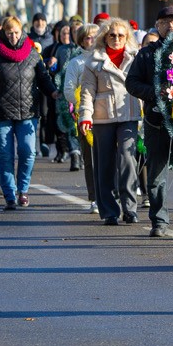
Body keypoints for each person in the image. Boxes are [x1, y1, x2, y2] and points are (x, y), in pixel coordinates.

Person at [127, 5, 173, 239]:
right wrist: (155, 92)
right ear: (157, 25)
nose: (171, 26)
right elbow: (132, 83)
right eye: (166, 21)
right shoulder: (147, 54)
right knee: (157, 174)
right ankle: (159, 221)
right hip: (155, 122)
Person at [0, 16, 58, 210]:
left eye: (16, 32)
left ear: (22, 32)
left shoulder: (31, 54)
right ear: (3, 34)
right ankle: (10, 194)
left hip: (28, 112)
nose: (13, 36)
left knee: (27, 152)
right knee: (5, 155)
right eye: (9, 33)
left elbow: (43, 78)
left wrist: (54, 92)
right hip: (1, 114)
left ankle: (23, 189)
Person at [80, 19, 142, 225]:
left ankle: (130, 208)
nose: (116, 39)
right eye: (112, 35)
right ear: (105, 37)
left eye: (121, 35)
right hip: (102, 117)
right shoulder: (94, 61)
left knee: (127, 158)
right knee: (104, 163)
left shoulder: (135, 58)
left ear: (127, 37)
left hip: (129, 114)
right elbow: (87, 92)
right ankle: (108, 211)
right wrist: (85, 116)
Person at [63, 23, 101, 212]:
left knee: (111, 157)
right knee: (90, 159)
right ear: (82, 41)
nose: (92, 40)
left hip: (107, 115)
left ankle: (113, 193)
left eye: (95, 36)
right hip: (85, 116)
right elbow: (68, 90)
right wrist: (80, 105)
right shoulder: (76, 63)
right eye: (88, 37)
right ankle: (94, 197)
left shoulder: (106, 59)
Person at [43, 22, 82, 169]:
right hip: (67, 93)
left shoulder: (86, 51)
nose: (76, 34)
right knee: (71, 126)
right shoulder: (62, 49)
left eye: (79, 31)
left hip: (84, 93)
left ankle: (83, 155)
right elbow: (56, 71)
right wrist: (52, 65)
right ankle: (74, 156)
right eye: (73, 31)